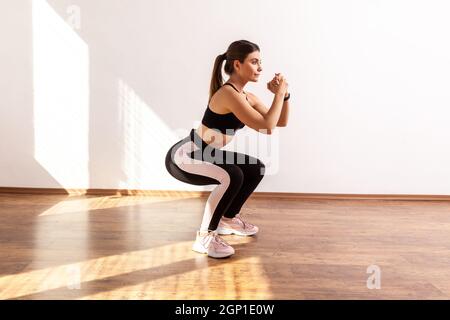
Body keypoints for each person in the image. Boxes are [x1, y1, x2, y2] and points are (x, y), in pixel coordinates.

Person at [165, 40, 290, 258]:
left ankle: (228, 219)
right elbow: (267, 125)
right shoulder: (228, 94)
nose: (260, 67)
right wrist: (278, 94)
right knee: (232, 175)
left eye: (260, 62)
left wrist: (284, 96)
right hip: (185, 156)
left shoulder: (247, 96)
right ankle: (204, 237)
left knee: (255, 168)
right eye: (254, 62)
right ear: (237, 65)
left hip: (206, 154)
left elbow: (278, 122)